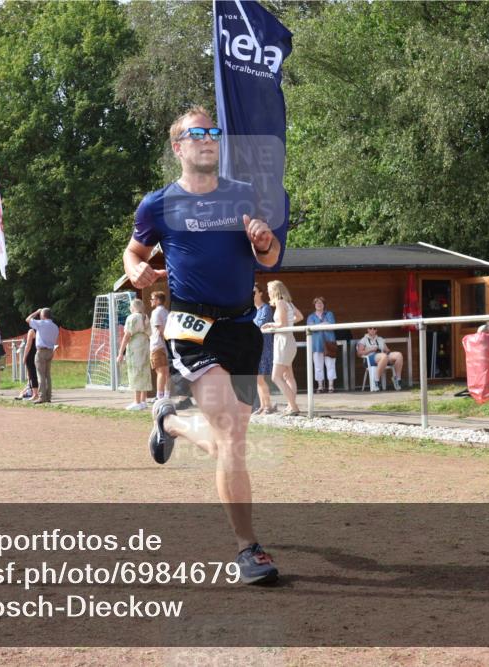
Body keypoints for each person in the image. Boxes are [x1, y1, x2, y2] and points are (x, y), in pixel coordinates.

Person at [123, 105, 286, 585]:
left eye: (214, 132)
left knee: (226, 441)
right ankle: (248, 548)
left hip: (240, 327)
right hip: (191, 326)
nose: (208, 138)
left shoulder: (243, 194)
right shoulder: (158, 204)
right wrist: (135, 268)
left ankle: (169, 419)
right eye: (198, 134)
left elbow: (273, 257)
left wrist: (262, 243)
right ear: (179, 147)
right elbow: (135, 249)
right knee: (233, 433)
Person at [262, 280, 302, 415]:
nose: (268, 293)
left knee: (276, 377)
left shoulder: (280, 302)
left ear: (275, 291)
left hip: (283, 342)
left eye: (269, 291)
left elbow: (282, 324)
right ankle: (292, 406)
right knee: (288, 376)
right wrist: (286, 323)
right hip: (289, 341)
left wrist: (270, 324)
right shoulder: (289, 303)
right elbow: (299, 316)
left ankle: (293, 406)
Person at [117, 298, 153, 410]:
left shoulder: (132, 317)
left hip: (135, 347)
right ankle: (143, 401)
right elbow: (149, 333)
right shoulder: (145, 317)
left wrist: (120, 352)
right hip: (145, 345)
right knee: (144, 371)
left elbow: (127, 335)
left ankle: (137, 402)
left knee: (135, 372)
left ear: (133, 307)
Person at [26, 307, 59, 404]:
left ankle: (41, 396)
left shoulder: (41, 323)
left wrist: (36, 311)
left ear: (42, 315)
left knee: (40, 374)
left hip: (41, 351)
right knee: (47, 375)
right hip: (50, 351)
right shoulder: (55, 326)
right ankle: (48, 396)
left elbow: (28, 319)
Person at [251, 284, 275, 415]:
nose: (252, 294)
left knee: (260, 378)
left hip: (264, 347)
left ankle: (268, 406)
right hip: (253, 347)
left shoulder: (266, 309)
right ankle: (262, 405)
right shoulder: (251, 310)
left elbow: (259, 325)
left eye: (254, 292)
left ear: (260, 293)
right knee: (257, 378)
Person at [358, 326, 404, 391]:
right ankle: (376, 380)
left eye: (374, 328)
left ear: (376, 330)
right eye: (370, 328)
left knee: (398, 355)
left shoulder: (380, 339)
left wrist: (387, 352)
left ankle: (397, 379)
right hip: (370, 358)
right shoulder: (364, 339)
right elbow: (359, 353)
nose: (372, 330)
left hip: (382, 356)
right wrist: (371, 350)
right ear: (367, 329)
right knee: (383, 356)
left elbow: (387, 350)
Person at [307, 297, 338, 393]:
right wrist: (323, 324)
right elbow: (310, 327)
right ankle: (320, 386)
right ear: (314, 305)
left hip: (329, 343)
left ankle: (331, 386)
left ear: (324, 305)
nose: (319, 304)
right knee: (318, 366)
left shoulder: (329, 314)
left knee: (330, 365)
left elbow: (331, 325)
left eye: (321, 303)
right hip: (316, 344)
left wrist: (317, 326)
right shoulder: (311, 316)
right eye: (317, 303)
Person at [148, 291, 170, 402]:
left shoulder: (156, 312)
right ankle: (166, 395)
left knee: (160, 371)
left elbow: (160, 329)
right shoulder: (166, 311)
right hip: (164, 346)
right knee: (166, 372)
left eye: (152, 298)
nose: (150, 300)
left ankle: (159, 397)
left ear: (157, 300)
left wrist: (164, 342)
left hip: (158, 345)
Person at [15, 325, 39, 401]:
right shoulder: (41, 330)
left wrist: (24, 356)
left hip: (31, 355)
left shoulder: (31, 331)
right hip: (38, 353)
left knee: (31, 374)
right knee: (37, 374)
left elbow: (28, 345)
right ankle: (31, 390)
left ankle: (33, 392)